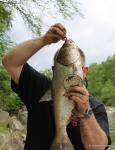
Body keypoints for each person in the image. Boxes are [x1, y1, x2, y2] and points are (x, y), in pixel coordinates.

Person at [2, 23, 111, 150]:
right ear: (54, 70)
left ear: (84, 71)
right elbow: (10, 62)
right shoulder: (40, 88)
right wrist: (44, 40)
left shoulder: (96, 107)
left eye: (76, 68)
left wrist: (85, 112)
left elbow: (98, 148)